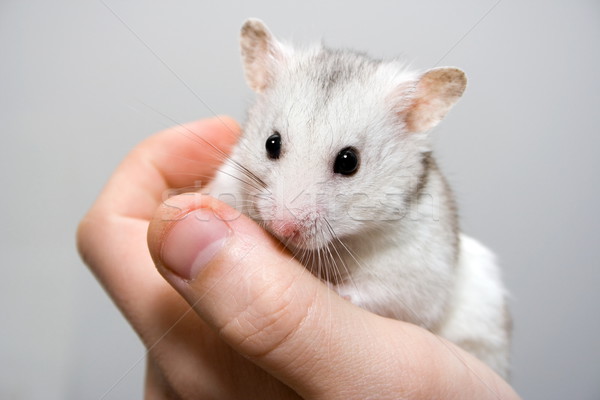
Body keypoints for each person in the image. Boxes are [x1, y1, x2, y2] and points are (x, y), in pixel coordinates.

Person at [77, 116, 521, 399]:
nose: (286, 218)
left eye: (346, 162)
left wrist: (350, 298)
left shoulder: (420, 220)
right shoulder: (238, 172)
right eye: (274, 146)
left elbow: (420, 298)